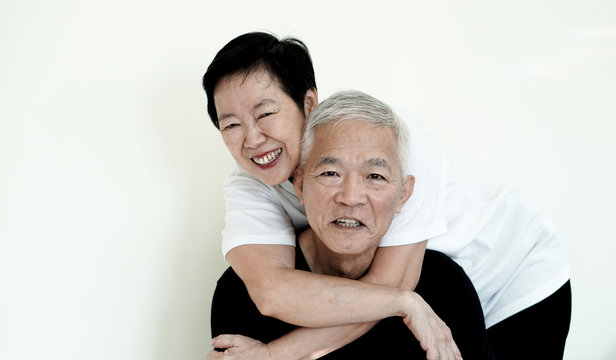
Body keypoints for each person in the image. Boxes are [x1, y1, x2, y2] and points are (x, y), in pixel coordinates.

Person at [202, 32, 572, 359]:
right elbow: (273, 292)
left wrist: (274, 356)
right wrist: (404, 303)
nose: (252, 138)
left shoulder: (397, 143)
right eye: (231, 124)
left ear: (309, 104)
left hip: (513, 277)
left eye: (265, 113)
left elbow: (390, 287)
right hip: (423, 296)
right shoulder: (250, 182)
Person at [209, 90, 494, 359]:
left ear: (403, 195)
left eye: (375, 177)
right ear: (299, 184)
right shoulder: (239, 294)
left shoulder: (446, 289)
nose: (351, 197)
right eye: (331, 172)